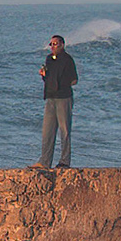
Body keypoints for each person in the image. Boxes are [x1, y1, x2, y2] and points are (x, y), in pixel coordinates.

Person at [36, 35, 76, 170]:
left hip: (64, 98)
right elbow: (48, 79)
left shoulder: (67, 60)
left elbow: (74, 80)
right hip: (50, 97)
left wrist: (61, 84)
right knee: (47, 131)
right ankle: (44, 162)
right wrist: (44, 76)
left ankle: (65, 162)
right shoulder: (49, 59)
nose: (53, 47)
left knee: (64, 131)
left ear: (62, 45)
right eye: (51, 44)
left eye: (56, 44)